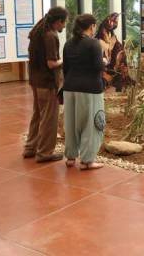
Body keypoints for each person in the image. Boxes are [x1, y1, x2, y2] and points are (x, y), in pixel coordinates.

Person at [23, 6, 67, 162]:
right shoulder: (50, 36)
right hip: (47, 83)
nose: (64, 26)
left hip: (36, 81)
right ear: (59, 21)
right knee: (49, 118)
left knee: (37, 115)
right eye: (64, 22)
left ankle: (30, 148)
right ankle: (45, 153)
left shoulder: (39, 31)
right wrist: (65, 60)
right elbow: (52, 63)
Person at [63, 14, 105, 170]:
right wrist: (104, 62)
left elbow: (65, 69)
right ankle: (88, 160)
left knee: (71, 123)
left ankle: (70, 157)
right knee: (91, 124)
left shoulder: (68, 44)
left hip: (69, 88)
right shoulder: (94, 44)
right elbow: (98, 67)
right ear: (92, 26)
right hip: (90, 89)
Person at [95, 12, 133, 92]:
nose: (114, 24)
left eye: (116, 22)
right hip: (104, 68)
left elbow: (116, 49)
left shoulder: (112, 36)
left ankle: (121, 81)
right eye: (113, 21)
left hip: (112, 66)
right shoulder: (98, 40)